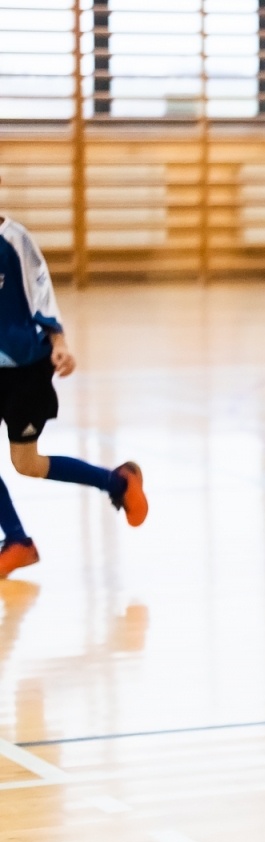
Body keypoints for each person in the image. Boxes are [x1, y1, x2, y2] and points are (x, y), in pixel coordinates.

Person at [0, 202, 147, 579]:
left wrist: (59, 341)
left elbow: (41, 292)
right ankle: (18, 542)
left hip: (25, 370)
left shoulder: (14, 240)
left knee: (27, 464)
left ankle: (118, 482)